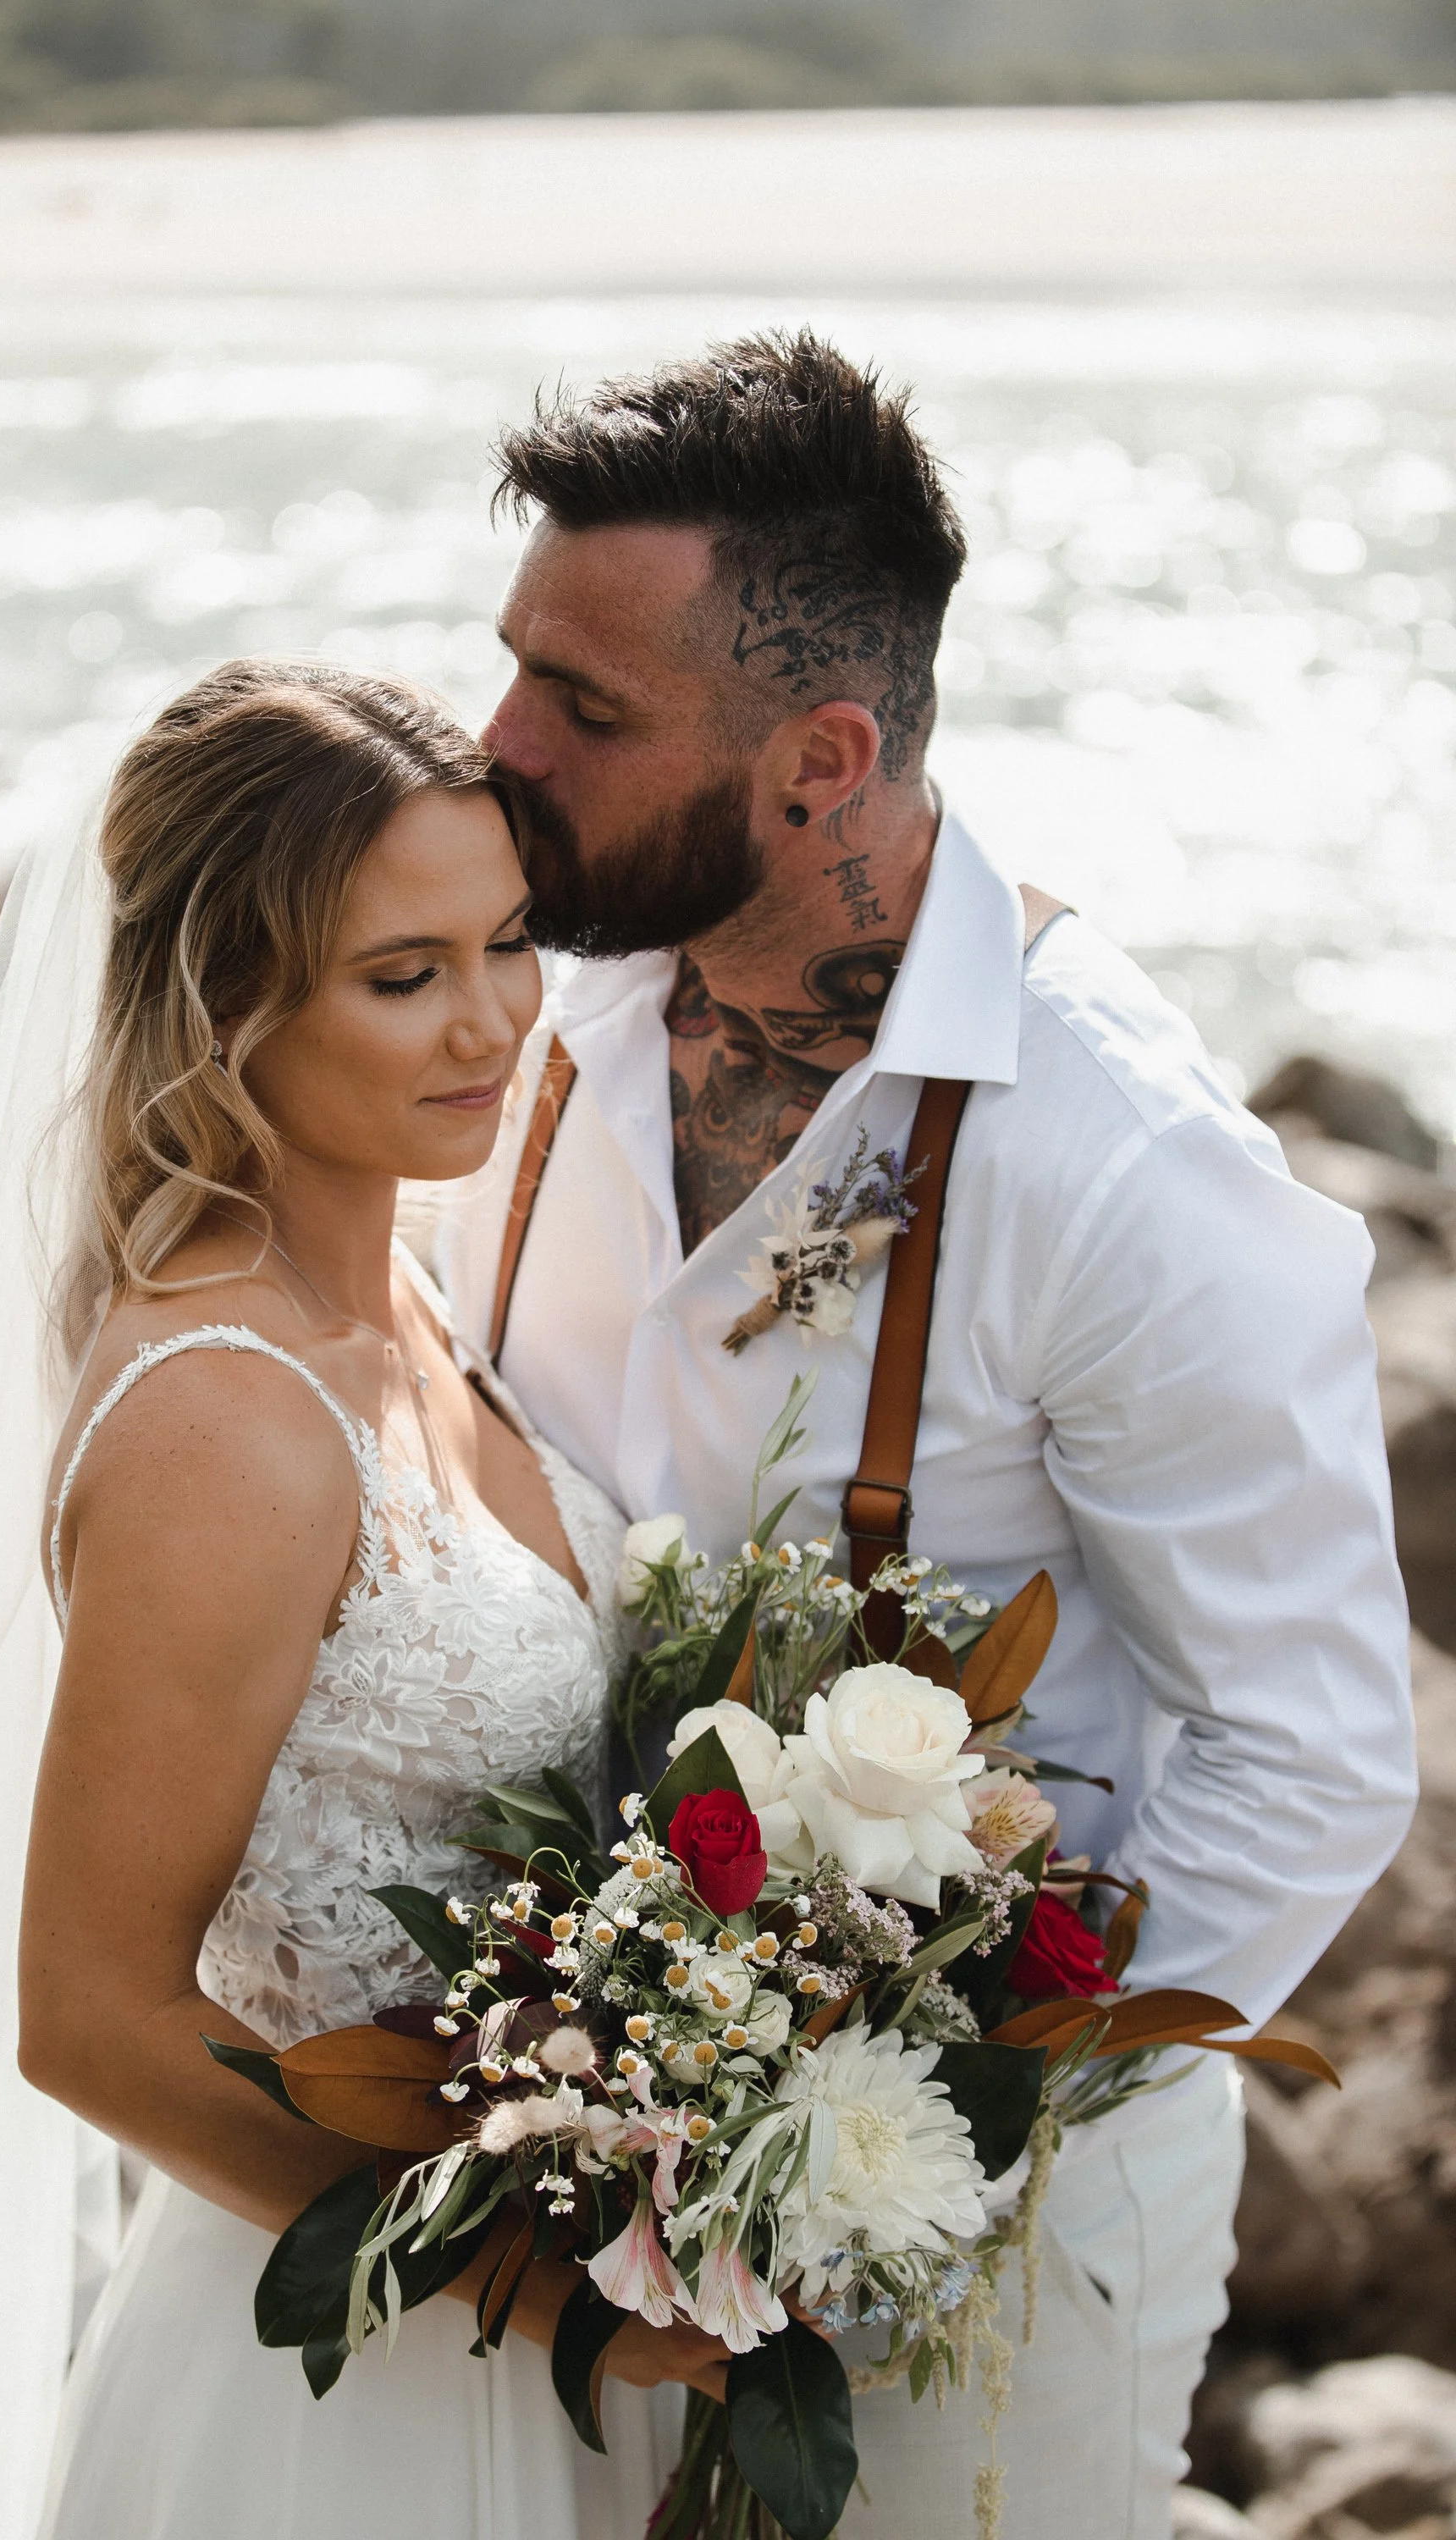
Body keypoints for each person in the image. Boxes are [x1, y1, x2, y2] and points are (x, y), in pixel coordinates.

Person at [438, 331, 1418, 2538]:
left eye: (583, 706)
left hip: (988, 2245)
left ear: (823, 760)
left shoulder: (1117, 1160)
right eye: (509, 666)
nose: (497, 746)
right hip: (546, 2168)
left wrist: (928, 2127)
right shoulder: (520, 1004)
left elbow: (1312, 1751)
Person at [0, 662, 710, 2540]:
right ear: (223, 1006)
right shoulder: (227, 1418)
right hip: (348, 2386)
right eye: (402, 976)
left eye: (508, 942)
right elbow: (91, 2019)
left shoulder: (402, 1284)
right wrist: (537, 2291)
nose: (492, 1022)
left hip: (554, 2313)